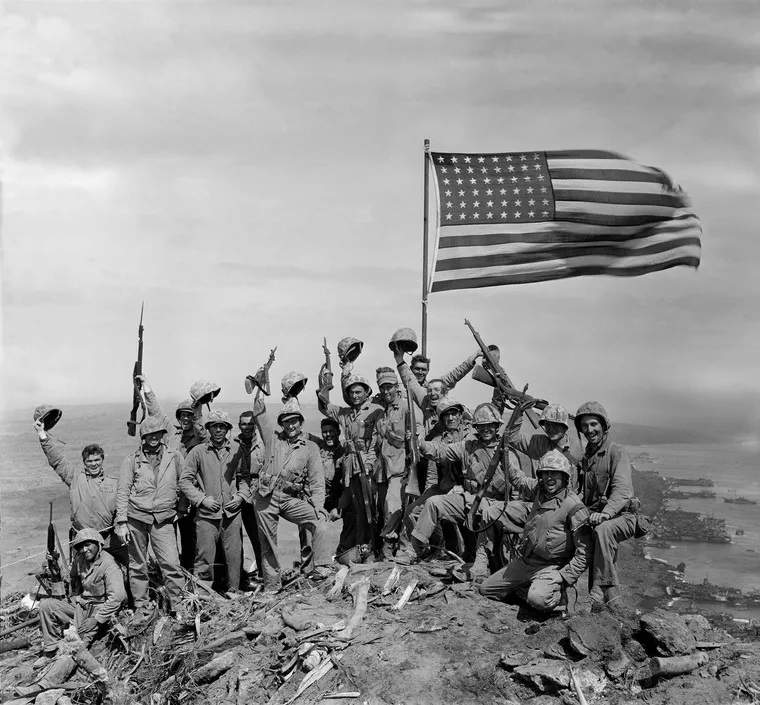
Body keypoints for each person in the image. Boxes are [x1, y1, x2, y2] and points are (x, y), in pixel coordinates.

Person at [400, 403, 519, 578]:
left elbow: (516, 487)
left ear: (496, 426)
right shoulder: (468, 446)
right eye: (482, 426)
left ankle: (480, 566)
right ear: (476, 428)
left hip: (496, 506)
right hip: (471, 499)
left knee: (498, 560)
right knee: (434, 503)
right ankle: (416, 549)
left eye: (490, 426)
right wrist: (419, 443)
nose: (486, 430)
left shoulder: (506, 451)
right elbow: (441, 451)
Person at [479, 450, 591, 612]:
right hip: (528, 561)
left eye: (554, 473)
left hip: (552, 566)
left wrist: (563, 575)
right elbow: (519, 480)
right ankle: (526, 587)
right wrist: (504, 459)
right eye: (545, 473)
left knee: (538, 600)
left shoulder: (574, 507)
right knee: (487, 589)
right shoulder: (539, 491)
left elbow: (585, 552)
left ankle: (559, 599)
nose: (549, 478)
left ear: (564, 476)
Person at [253, 399, 330, 590]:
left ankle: (320, 570)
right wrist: (259, 394)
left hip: (289, 498)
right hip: (266, 496)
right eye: (286, 421)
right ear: (281, 423)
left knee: (320, 523)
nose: (291, 425)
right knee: (268, 542)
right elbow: (260, 416)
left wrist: (318, 507)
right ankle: (272, 586)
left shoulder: (310, 448)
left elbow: (317, 482)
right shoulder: (273, 439)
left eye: (294, 420)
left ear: (301, 421)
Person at [137, 375, 207, 572]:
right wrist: (148, 390)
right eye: (183, 415)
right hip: (171, 494)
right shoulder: (171, 434)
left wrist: (198, 407)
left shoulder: (201, 436)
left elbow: (202, 429)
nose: (186, 419)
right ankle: (174, 571)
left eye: (190, 415)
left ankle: (190, 572)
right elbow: (156, 413)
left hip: (191, 493)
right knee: (168, 536)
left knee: (190, 536)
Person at [115, 416, 185, 612]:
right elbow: (123, 491)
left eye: (157, 434)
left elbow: (185, 482)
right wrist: (121, 522)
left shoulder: (175, 457)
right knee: (138, 565)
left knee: (171, 562)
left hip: (163, 519)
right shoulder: (131, 461)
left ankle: (179, 606)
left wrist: (181, 508)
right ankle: (141, 607)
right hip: (136, 518)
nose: (153, 438)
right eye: (149, 434)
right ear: (143, 437)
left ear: (163, 435)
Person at [317, 361, 382, 563]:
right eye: (351, 392)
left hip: (369, 465)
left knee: (373, 509)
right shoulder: (345, 413)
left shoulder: (376, 410)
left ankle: (374, 548)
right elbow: (324, 406)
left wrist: (370, 463)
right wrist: (326, 384)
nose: (355, 396)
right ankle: (361, 548)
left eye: (358, 392)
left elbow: (378, 440)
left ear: (366, 392)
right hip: (351, 466)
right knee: (357, 509)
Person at [180, 410, 250, 594]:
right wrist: (202, 500)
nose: (218, 430)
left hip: (232, 514)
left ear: (227, 429)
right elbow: (185, 481)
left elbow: (244, 478)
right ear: (209, 428)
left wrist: (240, 496)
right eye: (214, 426)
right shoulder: (198, 452)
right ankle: (202, 594)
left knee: (234, 556)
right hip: (206, 515)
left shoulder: (237, 449)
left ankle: (234, 591)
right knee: (204, 556)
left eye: (222, 426)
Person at [574, 401, 637, 606]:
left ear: (603, 425)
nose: (589, 430)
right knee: (594, 541)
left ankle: (597, 594)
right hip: (597, 518)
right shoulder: (587, 458)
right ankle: (609, 605)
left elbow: (623, 491)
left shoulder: (616, 452)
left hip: (623, 516)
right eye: (584, 426)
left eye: (594, 424)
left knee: (602, 530)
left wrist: (606, 513)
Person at [38, 528, 127, 654]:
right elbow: (70, 580)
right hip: (80, 605)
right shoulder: (80, 559)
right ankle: (50, 649)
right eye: (80, 547)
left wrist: (97, 619)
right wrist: (55, 565)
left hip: (99, 609)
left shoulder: (109, 565)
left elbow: (117, 598)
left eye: (87, 545)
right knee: (46, 605)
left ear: (97, 543)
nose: (84, 550)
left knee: (75, 645)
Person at [34, 414, 118, 537]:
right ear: (84, 463)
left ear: (102, 460)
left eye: (97, 460)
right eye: (89, 461)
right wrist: (42, 433)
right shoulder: (75, 478)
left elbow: (122, 509)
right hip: (81, 538)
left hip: (108, 539)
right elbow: (57, 460)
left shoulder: (114, 483)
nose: (94, 464)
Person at [373, 366, 423, 559]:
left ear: (396, 387)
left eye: (390, 387)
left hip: (401, 467)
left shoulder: (406, 407)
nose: (386, 391)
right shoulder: (381, 411)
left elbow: (415, 434)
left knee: (393, 506)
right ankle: (389, 547)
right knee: (385, 508)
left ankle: (395, 546)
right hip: (383, 468)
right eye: (383, 387)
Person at [508, 402, 582, 485]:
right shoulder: (537, 443)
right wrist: (518, 413)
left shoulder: (578, 447)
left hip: (567, 496)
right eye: (547, 425)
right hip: (542, 495)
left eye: (556, 425)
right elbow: (511, 437)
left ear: (565, 427)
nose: (551, 429)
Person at [234, 409, 266, 585]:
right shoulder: (233, 443)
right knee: (235, 535)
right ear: (239, 425)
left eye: (250, 423)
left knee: (258, 535)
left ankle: (264, 572)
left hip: (257, 493)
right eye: (243, 423)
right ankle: (238, 574)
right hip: (238, 493)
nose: (247, 427)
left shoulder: (263, 444)